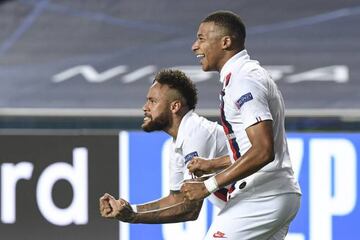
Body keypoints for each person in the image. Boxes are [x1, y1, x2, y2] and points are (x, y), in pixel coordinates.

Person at [181, 11, 302, 239]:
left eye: (202, 38)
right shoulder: (243, 76)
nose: (194, 46)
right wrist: (214, 164)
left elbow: (263, 151)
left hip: (262, 195)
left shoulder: (243, 80)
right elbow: (256, 147)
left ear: (226, 42)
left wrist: (209, 186)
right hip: (276, 193)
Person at [99, 69, 230, 224]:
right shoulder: (177, 143)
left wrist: (133, 217)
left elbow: (190, 209)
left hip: (257, 200)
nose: (145, 107)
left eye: (152, 101)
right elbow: (176, 199)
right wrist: (130, 209)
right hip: (245, 205)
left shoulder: (196, 133)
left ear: (174, 107)